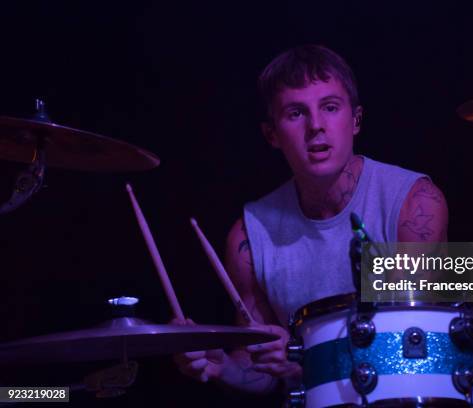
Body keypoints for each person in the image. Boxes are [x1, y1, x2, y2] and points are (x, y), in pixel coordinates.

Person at [173, 45, 448, 395]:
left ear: (356, 120)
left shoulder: (414, 202)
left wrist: (307, 360)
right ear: (272, 135)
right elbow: (261, 370)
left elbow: (408, 345)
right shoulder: (248, 235)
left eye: (330, 108)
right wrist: (223, 367)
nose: (316, 126)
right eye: (295, 113)